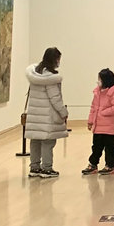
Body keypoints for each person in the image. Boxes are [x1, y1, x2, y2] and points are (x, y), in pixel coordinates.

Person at [24, 47, 68, 178]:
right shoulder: (51, 78)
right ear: (55, 59)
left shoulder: (35, 74)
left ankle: (34, 168)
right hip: (47, 116)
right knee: (48, 142)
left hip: (35, 115)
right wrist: (63, 112)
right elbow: (55, 98)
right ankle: (47, 169)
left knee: (35, 141)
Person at [82, 68, 114, 175]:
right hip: (98, 127)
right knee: (96, 147)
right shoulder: (97, 93)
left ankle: (110, 166)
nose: (98, 81)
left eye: (100, 79)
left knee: (109, 148)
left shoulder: (112, 93)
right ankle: (93, 164)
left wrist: (104, 112)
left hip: (109, 128)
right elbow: (93, 108)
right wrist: (90, 121)